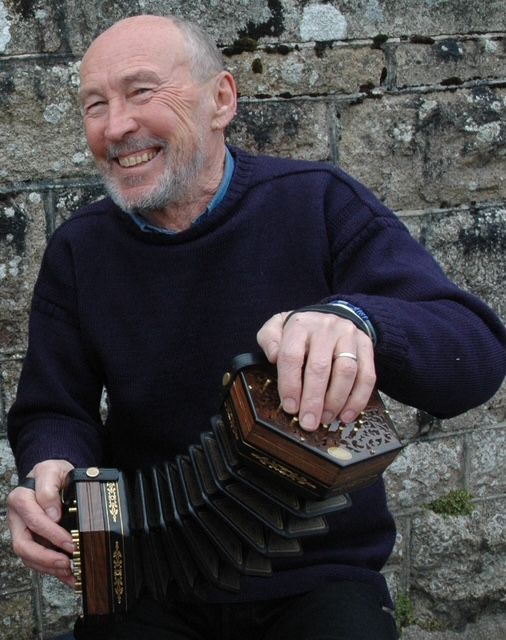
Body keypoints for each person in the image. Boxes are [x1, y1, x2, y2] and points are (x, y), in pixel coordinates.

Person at [6, 14, 506, 640]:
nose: (116, 126)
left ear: (222, 99)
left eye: (141, 92)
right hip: (151, 580)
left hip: (319, 574)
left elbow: (475, 355)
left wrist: (361, 322)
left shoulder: (318, 202)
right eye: (95, 105)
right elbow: (54, 408)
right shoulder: (79, 253)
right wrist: (49, 469)